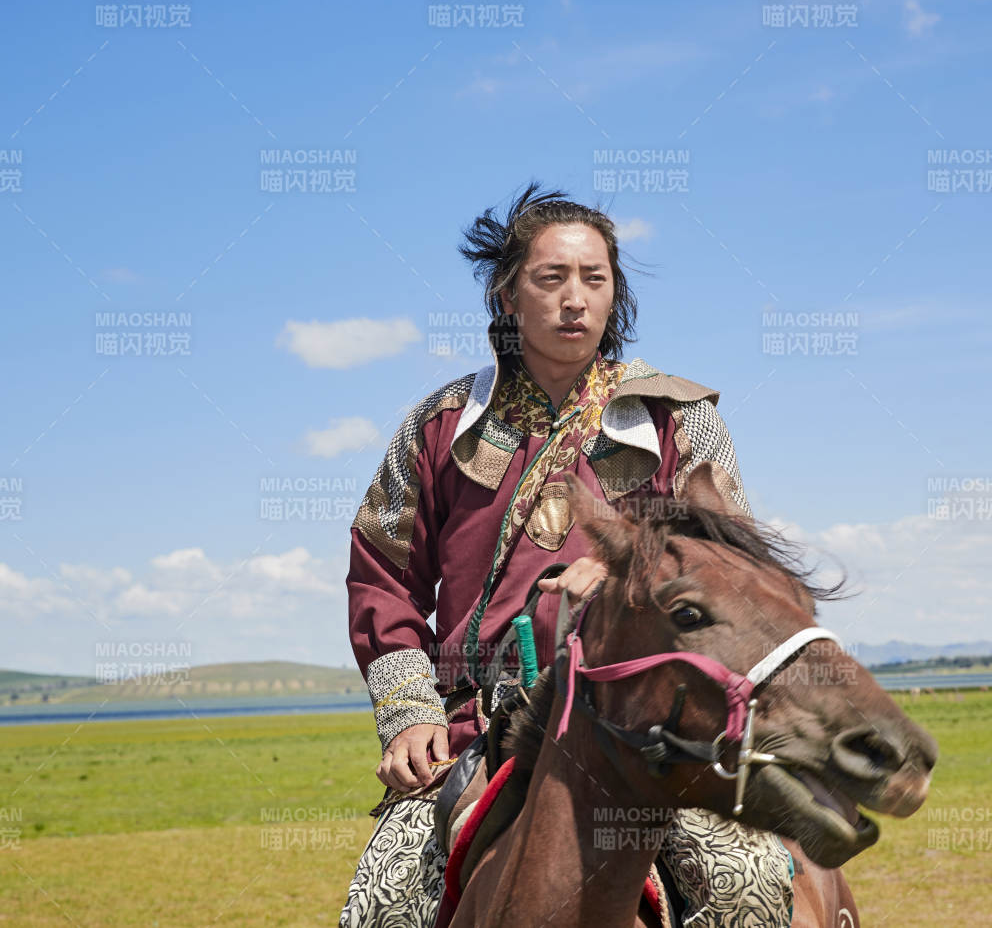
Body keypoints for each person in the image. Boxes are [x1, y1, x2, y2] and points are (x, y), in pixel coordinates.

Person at [338, 184, 793, 927]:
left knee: (745, 880)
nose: (575, 299)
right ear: (509, 295)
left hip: (650, 729)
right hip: (483, 727)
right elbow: (381, 578)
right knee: (379, 906)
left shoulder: (680, 420)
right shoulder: (439, 426)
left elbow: (726, 568)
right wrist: (409, 715)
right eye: (551, 278)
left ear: (616, 295)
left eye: (595, 278)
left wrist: (626, 571)